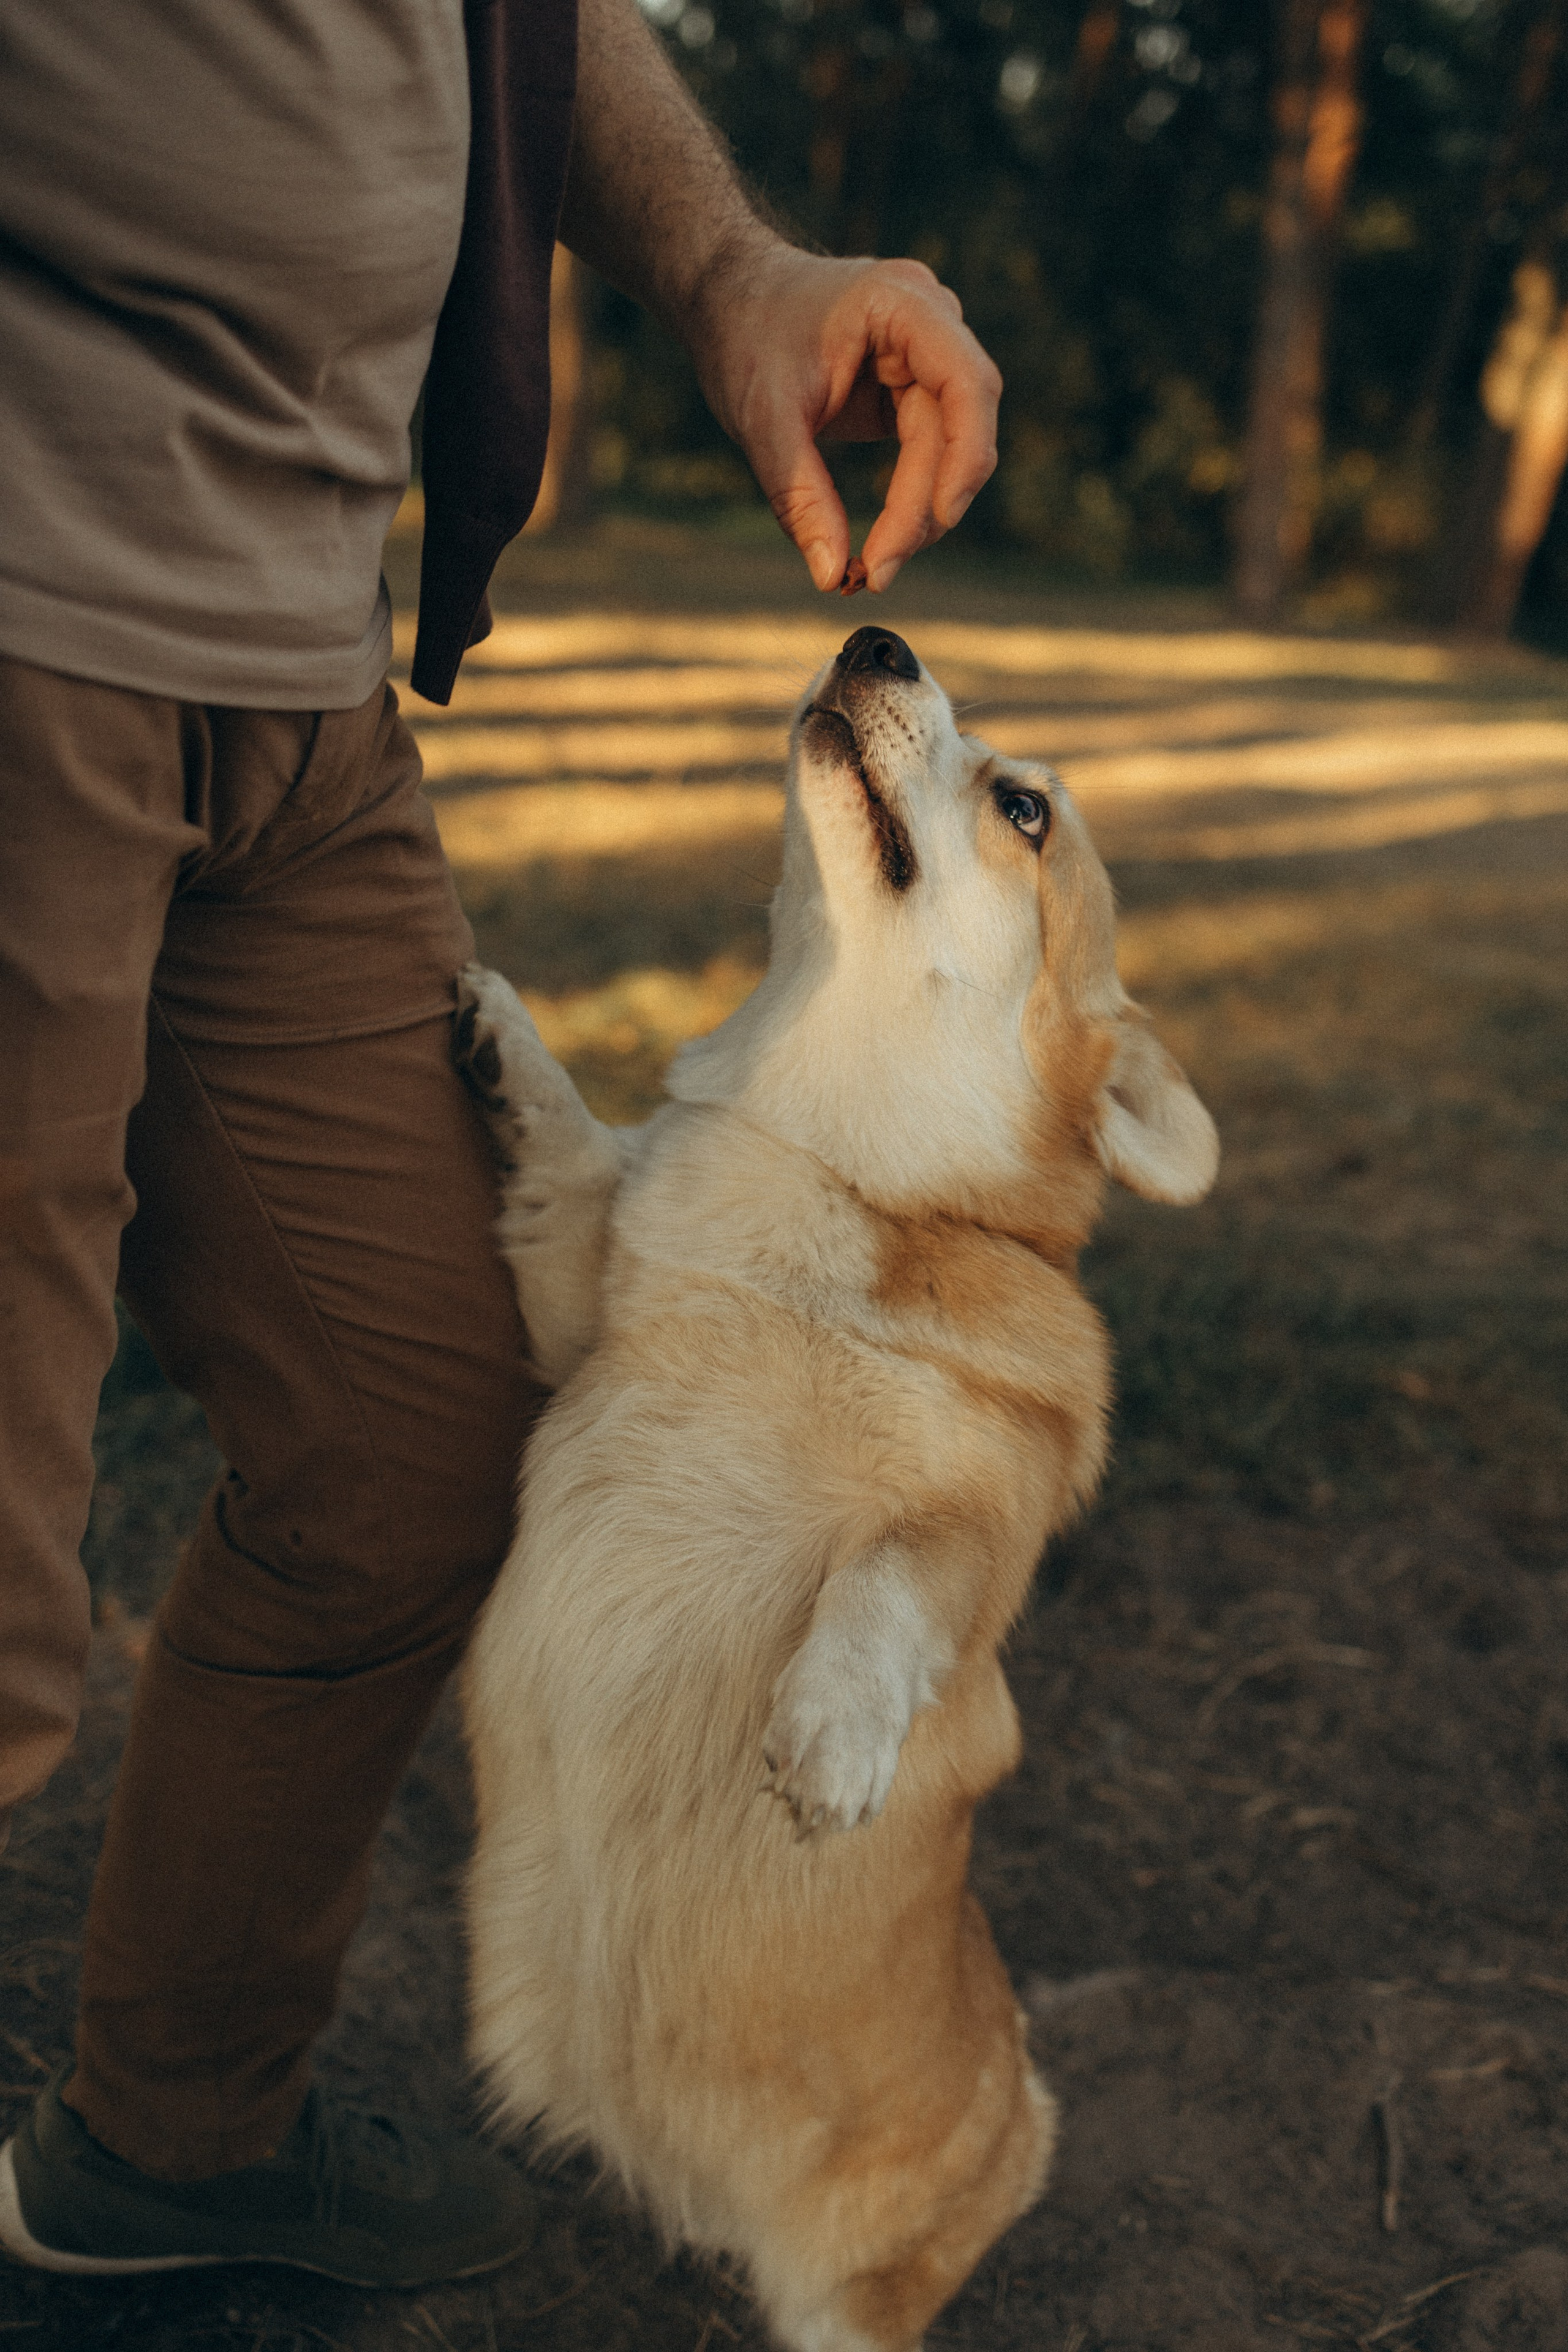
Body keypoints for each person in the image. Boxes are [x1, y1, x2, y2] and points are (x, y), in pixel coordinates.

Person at [0, 0, 1002, 2288]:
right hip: (25, 625)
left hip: (295, 677)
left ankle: (164, 2160)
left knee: (416, 1440)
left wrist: (732, 267)